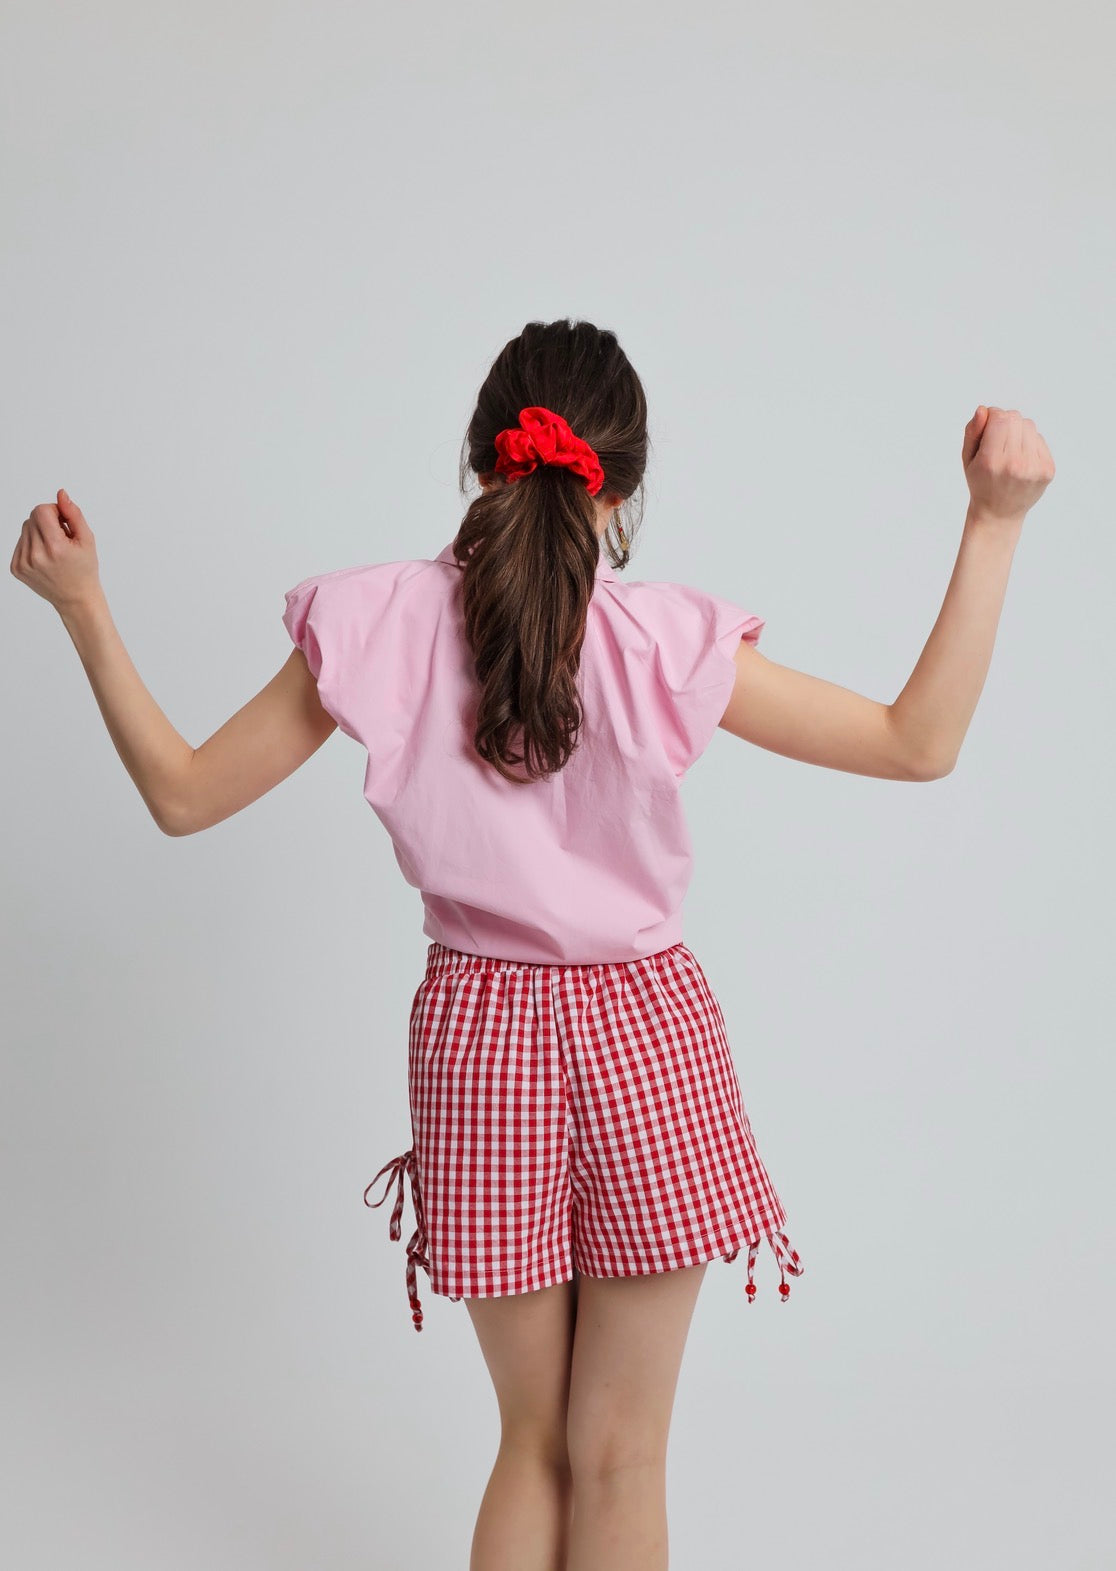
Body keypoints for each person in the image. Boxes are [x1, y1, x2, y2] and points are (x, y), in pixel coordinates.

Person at [11, 317, 1055, 1571]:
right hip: (648, 1036)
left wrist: (83, 609)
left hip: (477, 1043)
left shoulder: (379, 621)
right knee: (620, 1455)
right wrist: (992, 522)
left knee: (532, 1444)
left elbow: (181, 793)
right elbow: (915, 741)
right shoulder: (664, 640)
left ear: (478, 457)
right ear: (623, 487)